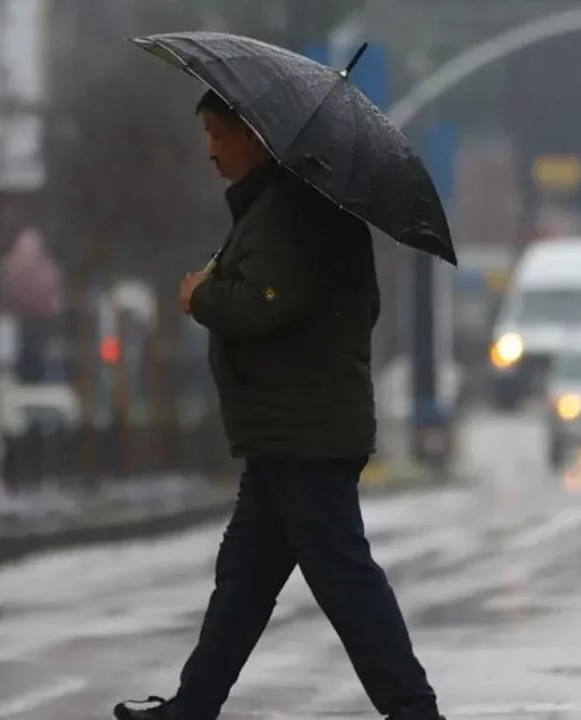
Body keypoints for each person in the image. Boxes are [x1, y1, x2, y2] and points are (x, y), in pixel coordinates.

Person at [112, 90, 445, 720]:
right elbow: (351, 307)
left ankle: (414, 709)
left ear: (255, 137)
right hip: (287, 433)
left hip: (305, 434)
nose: (209, 149)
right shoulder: (283, 206)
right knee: (244, 580)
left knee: (345, 581)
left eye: (218, 134)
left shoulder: (291, 210)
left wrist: (202, 298)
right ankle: (193, 706)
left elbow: (266, 301)